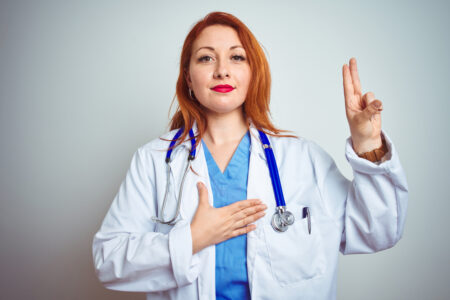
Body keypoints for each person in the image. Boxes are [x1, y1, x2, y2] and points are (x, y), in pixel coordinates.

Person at [92, 11, 408, 300]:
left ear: (253, 72)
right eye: (205, 59)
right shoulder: (155, 160)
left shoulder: (302, 159)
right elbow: (109, 260)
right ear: (188, 77)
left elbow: (377, 231)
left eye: (236, 57)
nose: (221, 71)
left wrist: (368, 142)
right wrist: (192, 239)